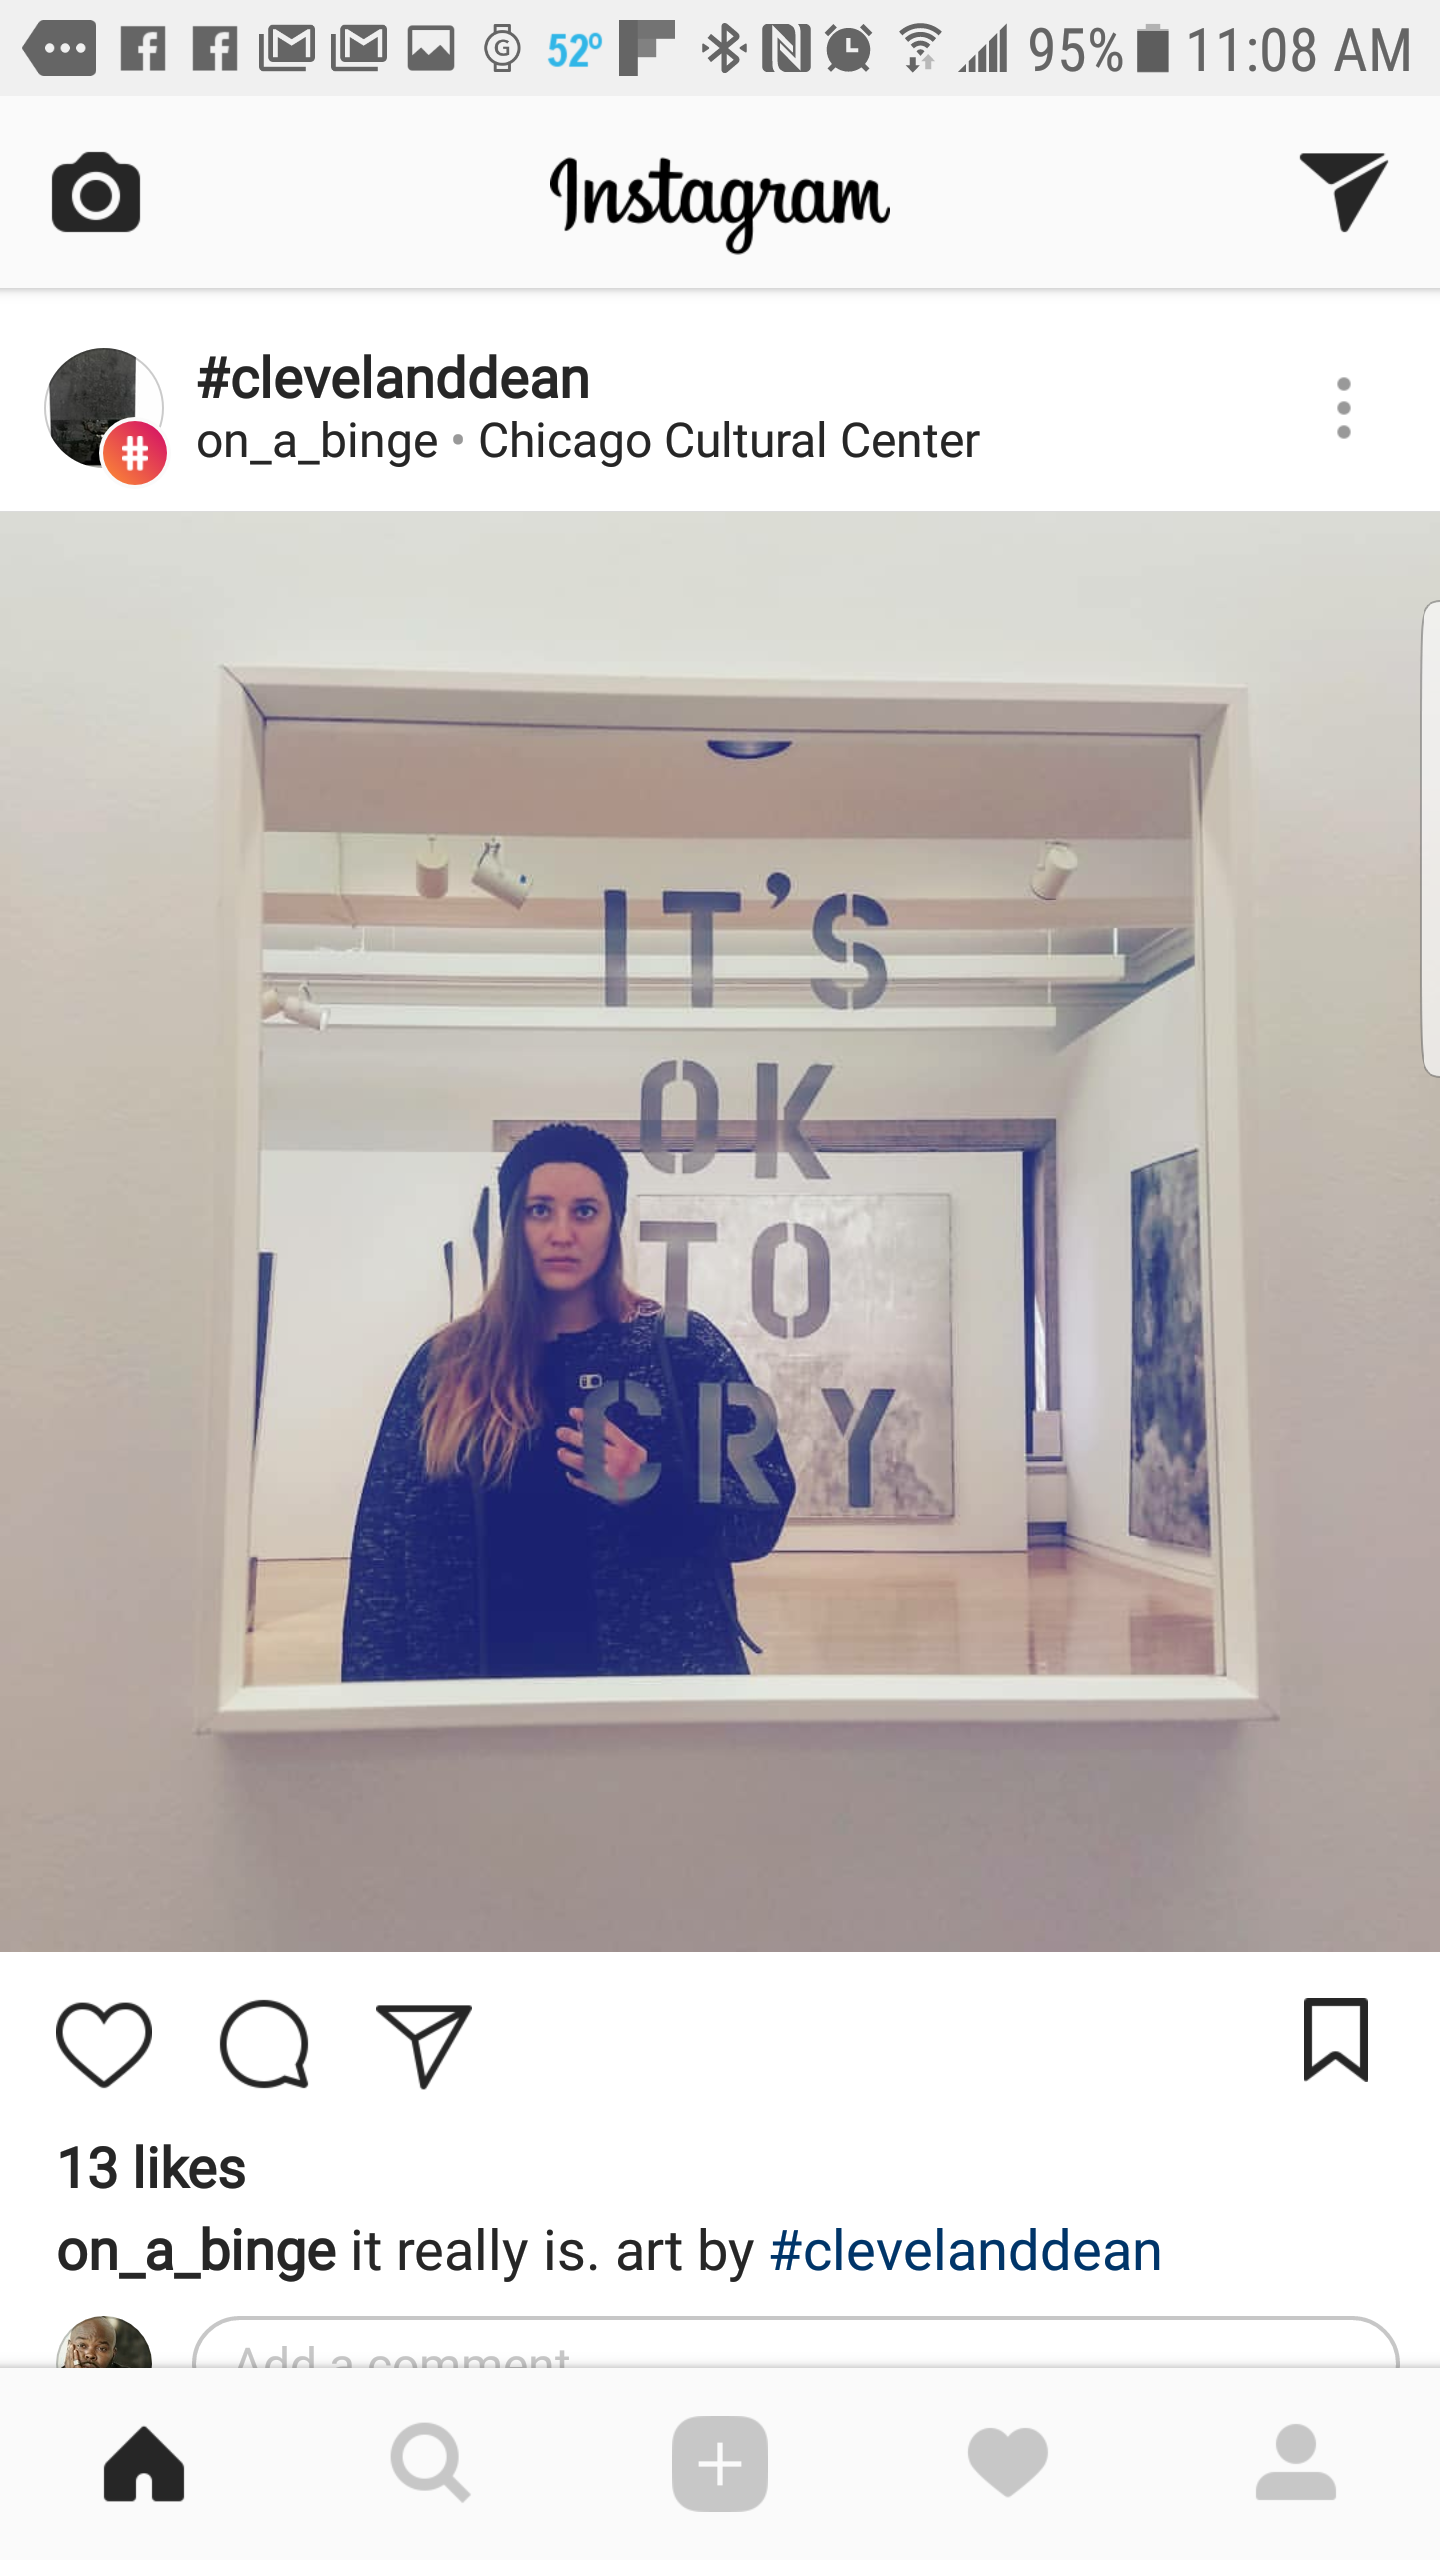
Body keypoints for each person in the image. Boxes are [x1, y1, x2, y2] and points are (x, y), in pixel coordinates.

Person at [342, 1124, 795, 1680]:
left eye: (584, 1211)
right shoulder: (447, 1363)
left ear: (613, 1225)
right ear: (514, 1224)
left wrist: (652, 1490)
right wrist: (367, 1706)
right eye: (539, 1210)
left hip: (650, 1700)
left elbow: (761, 1514)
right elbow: (384, 1557)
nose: (562, 1233)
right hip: (476, 1703)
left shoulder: (681, 1346)